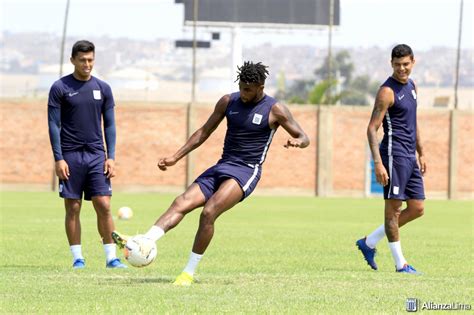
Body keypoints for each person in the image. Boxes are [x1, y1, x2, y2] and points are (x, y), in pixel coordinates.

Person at [112, 61, 309, 285]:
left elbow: (304, 137)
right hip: (223, 165)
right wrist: (176, 157)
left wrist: (297, 142)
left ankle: (188, 272)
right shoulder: (228, 101)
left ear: (261, 87)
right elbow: (204, 132)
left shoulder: (275, 110)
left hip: (246, 170)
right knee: (181, 202)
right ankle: (144, 241)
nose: (243, 93)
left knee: (209, 212)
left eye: (248, 89)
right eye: (241, 86)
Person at [47, 40, 126, 269]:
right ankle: (77, 258)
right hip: (70, 156)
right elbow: (53, 125)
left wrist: (110, 156)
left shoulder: (103, 88)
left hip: (96, 156)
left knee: (104, 204)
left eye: (90, 59)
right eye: (82, 60)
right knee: (73, 207)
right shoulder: (60, 87)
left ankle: (112, 257)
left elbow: (109, 125)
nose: (87, 64)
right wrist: (58, 158)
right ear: (72, 60)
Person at [356, 44, 425, 274]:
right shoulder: (387, 91)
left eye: (406, 64)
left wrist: (421, 152)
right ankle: (401, 264)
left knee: (417, 208)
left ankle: (369, 242)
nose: (402, 69)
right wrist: (377, 162)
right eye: (397, 65)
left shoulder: (413, 86)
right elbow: (371, 128)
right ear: (391, 64)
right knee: (393, 211)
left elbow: (412, 123)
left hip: (410, 157)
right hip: (393, 156)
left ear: (413, 62)